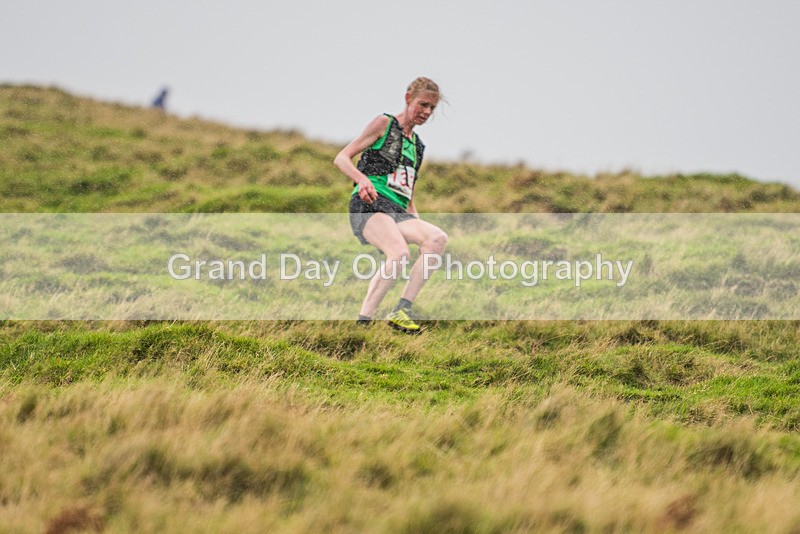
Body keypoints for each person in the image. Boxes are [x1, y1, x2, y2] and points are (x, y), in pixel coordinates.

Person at [333, 77, 448, 334]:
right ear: (408, 98)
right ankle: (363, 323)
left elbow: (408, 193)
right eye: (422, 104)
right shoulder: (384, 124)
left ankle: (401, 311)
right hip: (370, 205)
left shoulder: (418, 146)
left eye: (432, 108)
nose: (426, 112)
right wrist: (361, 180)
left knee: (437, 239)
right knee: (399, 254)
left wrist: (417, 225)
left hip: (398, 210)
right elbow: (341, 158)